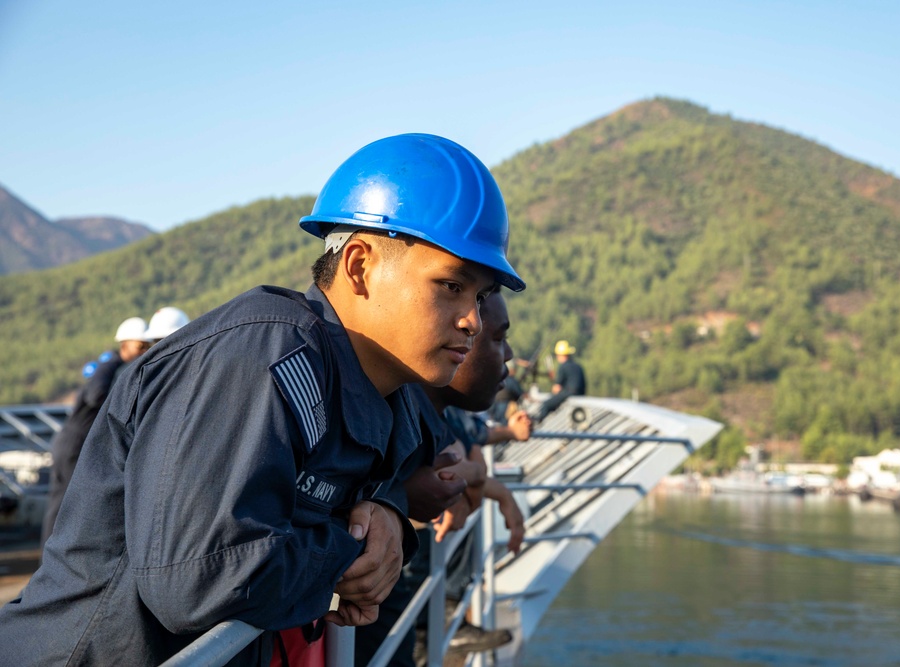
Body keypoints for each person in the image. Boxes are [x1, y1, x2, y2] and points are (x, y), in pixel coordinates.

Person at [0, 133, 525, 666]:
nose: (472, 321)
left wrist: (388, 508)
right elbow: (201, 576)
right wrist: (353, 550)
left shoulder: (383, 390)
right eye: (451, 286)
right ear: (360, 267)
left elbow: (416, 459)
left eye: (480, 297)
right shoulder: (263, 361)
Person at [355, 291, 529, 667]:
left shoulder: (424, 419)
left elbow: (464, 467)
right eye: (498, 339)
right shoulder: (390, 416)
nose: (510, 356)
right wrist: (401, 501)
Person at [41, 316, 151, 545]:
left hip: (74, 440)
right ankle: (51, 559)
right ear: (125, 344)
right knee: (66, 502)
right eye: (140, 346)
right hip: (75, 442)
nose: (143, 351)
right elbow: (95, 395)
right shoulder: (110, 364)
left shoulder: (117, 367)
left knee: (63, 500)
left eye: (146, 346)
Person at [536, 339, 587, 421]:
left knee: (546, 404)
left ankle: (538, 421)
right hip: (580, 394)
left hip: (570, 393)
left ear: (560, 355)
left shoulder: (563, 367)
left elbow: (557, 388)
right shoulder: (578, 366)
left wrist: (552, 398)